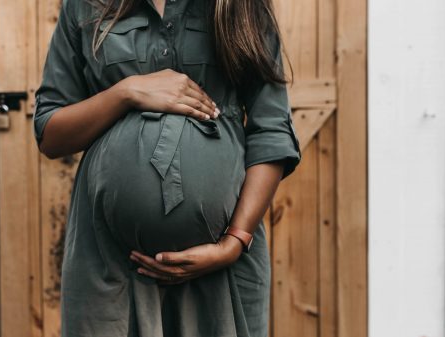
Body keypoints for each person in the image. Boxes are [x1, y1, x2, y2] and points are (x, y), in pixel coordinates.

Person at [32, 0, 301, 336]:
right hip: (110, 266)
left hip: (222, 267)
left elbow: (272, 129)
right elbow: (50, 133)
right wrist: (126, 93)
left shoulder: (241, 5)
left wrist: (234, 242)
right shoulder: (85, 5)